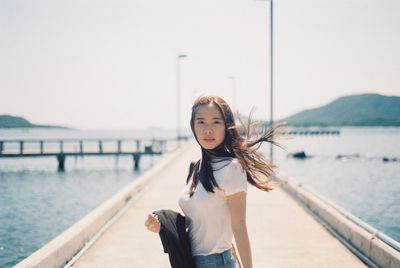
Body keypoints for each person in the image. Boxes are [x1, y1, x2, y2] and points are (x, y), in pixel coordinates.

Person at [145, 95, 285, 268]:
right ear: (193, 126)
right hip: (191, 261)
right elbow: (197, 222)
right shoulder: (196, 167)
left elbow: (239, 226)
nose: (208, 129)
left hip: (217, 262)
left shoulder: (232, 168)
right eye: (201, 122)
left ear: (226, 126)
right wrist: (161, 227)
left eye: (216, 122)